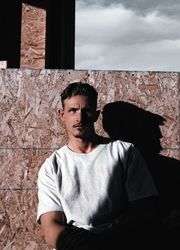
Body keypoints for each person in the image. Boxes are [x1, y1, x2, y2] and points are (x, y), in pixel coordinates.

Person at [36, 82, 159, 250]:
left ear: (95, 115)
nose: (80, 118)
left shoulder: (124, 152)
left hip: (120, 241)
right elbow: (51, 226)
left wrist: (109, 236)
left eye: (86, 110)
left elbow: (145, 207)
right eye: (73, 110)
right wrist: (83, 244)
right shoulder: (53, 166)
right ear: (61, 114)